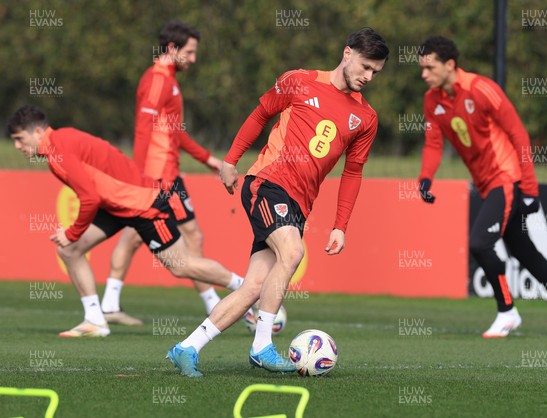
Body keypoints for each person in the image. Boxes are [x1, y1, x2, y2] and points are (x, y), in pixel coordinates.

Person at [166, 27, 389, 377]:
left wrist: (340, 226)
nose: (368, 76)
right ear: (347, 54)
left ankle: (187, 347)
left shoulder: (366, 118)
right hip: (267, 185)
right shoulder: (299, 81)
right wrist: (230, 160)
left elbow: (353, 173)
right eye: (364, 66)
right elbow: (261, 113)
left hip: (299, 206)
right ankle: (261, 346)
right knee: (293, 252)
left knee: (254, 287)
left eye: (375, 72)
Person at [7, 105, 245, 337]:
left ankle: (247, 288)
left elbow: (89, 198)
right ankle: (95, 321)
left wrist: (71, 232)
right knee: (70, 251)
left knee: (181, 266)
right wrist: (72, 238)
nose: (17, 146)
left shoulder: (57, 150)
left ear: (38, 132)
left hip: (144, 205)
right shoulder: (61, 139)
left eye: (19, 138)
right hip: (116, 205)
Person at [416, 35, 547, 338]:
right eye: (422, 68)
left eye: (429, 68)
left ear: (450, 64)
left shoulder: (482, 90)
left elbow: (519, 134)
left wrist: (531, 188)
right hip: (485, 184)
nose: (424, 74)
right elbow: (432, 143)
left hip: (506, 179)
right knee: (523, 251)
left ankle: (507, 311)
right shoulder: (433, 100)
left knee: (479, 243)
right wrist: (425, 178)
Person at [101, 20, 228, 326]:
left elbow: (175, 133)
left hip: (169, 175)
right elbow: (143, 129)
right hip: (158, 178)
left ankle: (108, 304)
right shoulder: (158, 79)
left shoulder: (168, 79)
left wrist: (208, 159)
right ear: (172, 49)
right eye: (191, 52)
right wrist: (140, 177)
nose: (194, 59)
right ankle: (219, 304)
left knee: (142, 236)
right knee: (180, 236)